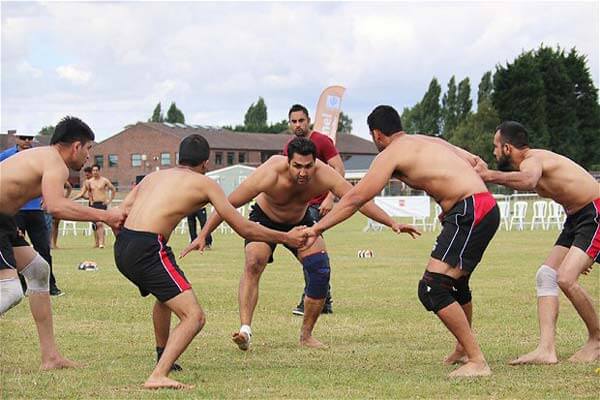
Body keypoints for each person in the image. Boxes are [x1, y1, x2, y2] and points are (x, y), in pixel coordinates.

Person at [302, 105, 500, 378]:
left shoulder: (390, 154)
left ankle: (477, 360)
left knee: (432, 288)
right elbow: (476, 161)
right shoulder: (425, 140)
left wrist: (317, 228)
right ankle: (463, 349)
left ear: (377, 134)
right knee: (457, 282)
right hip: (481, 207)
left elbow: (355, 198)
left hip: (470, 211)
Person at [182, 137, 418, 351]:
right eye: (297, 166)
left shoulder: (323, 174)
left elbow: (357, 199)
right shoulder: (270, 172)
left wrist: (392, 222)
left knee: (320, 268)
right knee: (254, 261)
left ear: (315, 162)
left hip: (301, 221)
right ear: (288, 162)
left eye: (308, 166)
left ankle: (306, 335)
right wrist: (203, 234)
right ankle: (245, 330)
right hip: (265, 220)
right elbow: (228, 203)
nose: (303, 172)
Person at [114, 134, 307, 390]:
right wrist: (286, 237)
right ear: (205, 163)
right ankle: (158, 375)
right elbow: (244, 228)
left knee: (165, 296)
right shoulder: (204, 183)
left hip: (123, 244)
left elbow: (121, 213)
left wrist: (130, 243)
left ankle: (163, 354)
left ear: (179, 157)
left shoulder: (153, 176)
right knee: (194, 317)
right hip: (148, 247)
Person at [0, 116, 125, 370]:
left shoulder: (46, 158)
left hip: (4, 219)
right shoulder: (56, 163)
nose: (89, 157)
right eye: (89, 149)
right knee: (11, 291)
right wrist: (106, 216)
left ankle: (51, 358)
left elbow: (50, 203)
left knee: (38, 270)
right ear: (76, 146)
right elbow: (56, 207)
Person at [474, 121, 599, 364]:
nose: (494, 152)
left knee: (565, 278)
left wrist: (489, 175)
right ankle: (546, 350)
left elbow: (529, 181)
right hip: (577, 218)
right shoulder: (531, 163)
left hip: (594, 213)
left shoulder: (531, 161)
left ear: (508, 148)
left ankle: (597, 341)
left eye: (496, 147)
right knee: (546, 275)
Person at [285, 104, 345, 316]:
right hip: (300, 207)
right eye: (294, 121)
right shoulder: (290, 146)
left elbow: (339, 169)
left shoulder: (321, 141)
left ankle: (310, 300)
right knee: (311, 253)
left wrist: (330, 197)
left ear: (309, 120)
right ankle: (324, 300)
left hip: (317, 206)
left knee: (309, 252)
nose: (298, 125)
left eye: (301, 120)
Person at [0, 134, 63, 296]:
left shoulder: (39, 157)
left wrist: (48, 196)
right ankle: (18, 285)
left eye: (30, 138)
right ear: (16, 139)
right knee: (12, 254)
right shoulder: (6, 157)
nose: (27, 141)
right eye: (23, 138)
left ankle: (50, 286)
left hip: (35, 211)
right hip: (13, 213)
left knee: (42, 249)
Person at [83, 164, 116, 248]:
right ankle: (96, 243)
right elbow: (87, 193)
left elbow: (113, 189)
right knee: (95, 225)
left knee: (100, 223)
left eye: (96, 170)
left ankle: (102, 243)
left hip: (102, 204)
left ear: (99, 171)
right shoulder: (89, 182)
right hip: (93, 204)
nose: (95, 172)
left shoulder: (104, 180)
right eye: (93, 170)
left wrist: (109, 200)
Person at [48, 181, 73, 250]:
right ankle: (49, 243)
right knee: (47, 223)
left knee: (55, 224)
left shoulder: (60, 178)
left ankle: (54, 243)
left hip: (57, 203)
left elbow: (69, 187)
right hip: (48, 202)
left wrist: (65, 198)